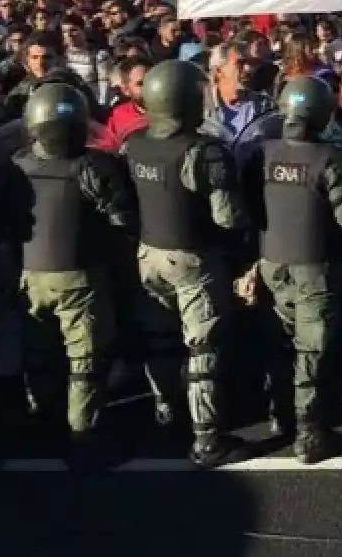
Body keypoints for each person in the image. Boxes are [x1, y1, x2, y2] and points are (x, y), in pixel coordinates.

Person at [0, 84, 135, 464]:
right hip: (80, 276)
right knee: (84, 360)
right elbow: (122, 221)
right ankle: (83, 436)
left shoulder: (17, 165)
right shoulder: (92, 167)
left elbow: (2, 221)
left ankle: (43, 419)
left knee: (40, 352)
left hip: (31, 274)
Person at [124, 59, 249, 468]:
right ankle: (207, 439)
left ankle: (166, 412)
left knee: (160, 340)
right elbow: (226, 217)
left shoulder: (134, 143)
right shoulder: (204, 150)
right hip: (192, 258)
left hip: (148, 255)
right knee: (202, 348)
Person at [241, 76, 342, 464]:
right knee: (312, 348)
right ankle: (310, 432)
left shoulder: (261, 152)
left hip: (271, 260)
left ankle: (281, 414)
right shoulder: (331, 158)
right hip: (313, 264)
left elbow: (249, 208)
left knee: (280, 339)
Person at [105, 57, 151, 141]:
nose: (149, 87)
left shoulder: (176, 110)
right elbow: (110, 147)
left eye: (151, 80)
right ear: (126, 90)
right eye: (141, 83)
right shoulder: (118, 115)